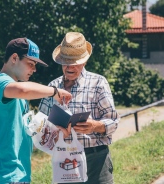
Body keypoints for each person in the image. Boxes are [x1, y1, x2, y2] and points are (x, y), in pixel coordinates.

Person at [0, 37, 72, 184]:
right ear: (14, 58)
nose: (34, 70)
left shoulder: (16, 93)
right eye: (30, 64)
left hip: (19, 173)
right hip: (1, 173)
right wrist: (54, 91)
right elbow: (24, 90)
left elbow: (22, 134)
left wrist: (53, 133)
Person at [39, 32, 120, 184]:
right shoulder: (52, 87)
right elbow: (41, 125)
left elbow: (114, 122)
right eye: (65, 62)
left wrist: (95, 125)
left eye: (74, 62)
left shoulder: (98, 83)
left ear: (84, 62)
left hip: (96, 160)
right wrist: (52, 130)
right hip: (64, 159)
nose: (69, 67)